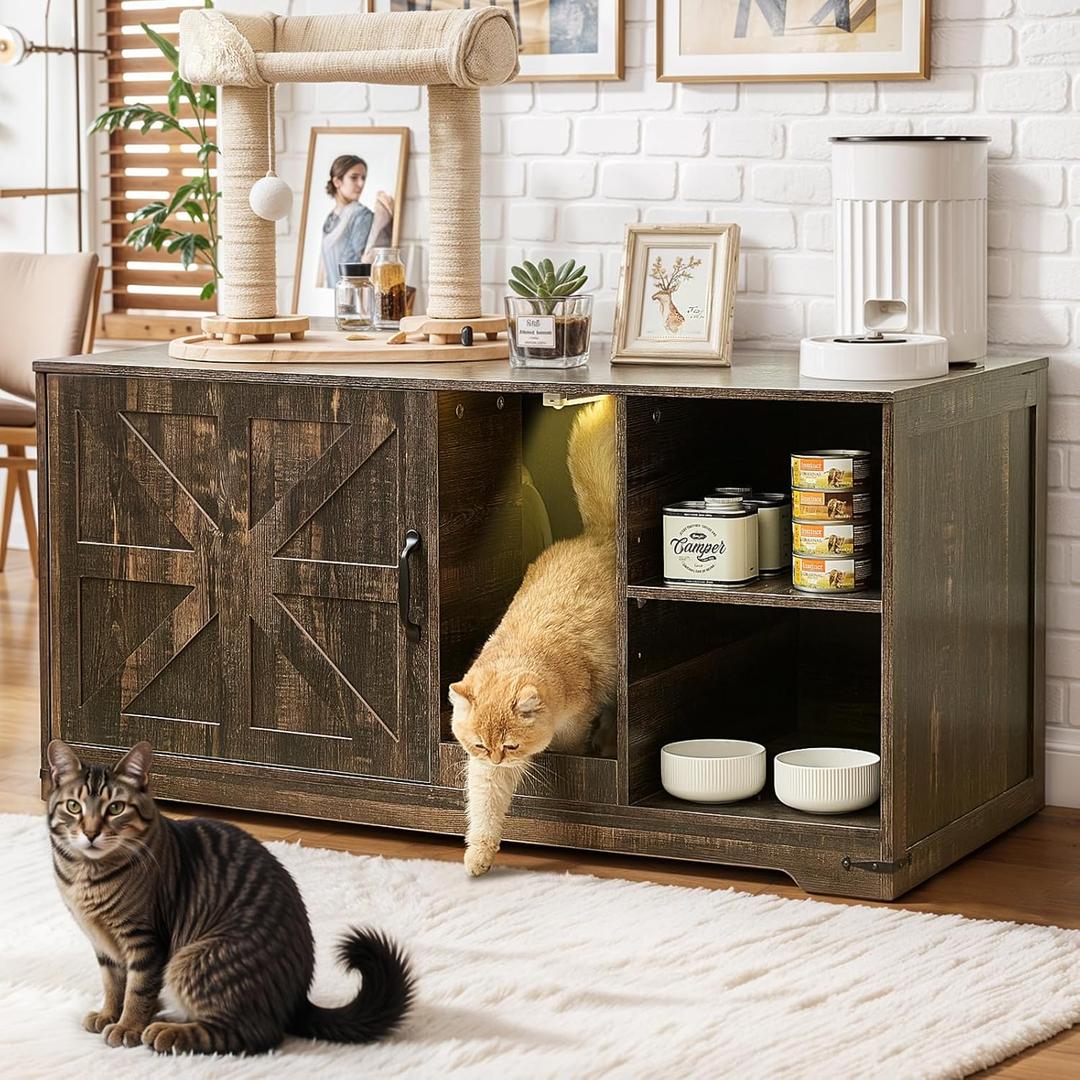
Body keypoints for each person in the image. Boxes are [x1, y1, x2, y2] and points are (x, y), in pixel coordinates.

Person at [317, 155, 395, 289]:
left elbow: (365, 265)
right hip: (333, 298)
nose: (361, 184)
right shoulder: (330, 218)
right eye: (354, 177)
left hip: (352, 299)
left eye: (363, 178)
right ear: (337, 182)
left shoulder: (361, 215)